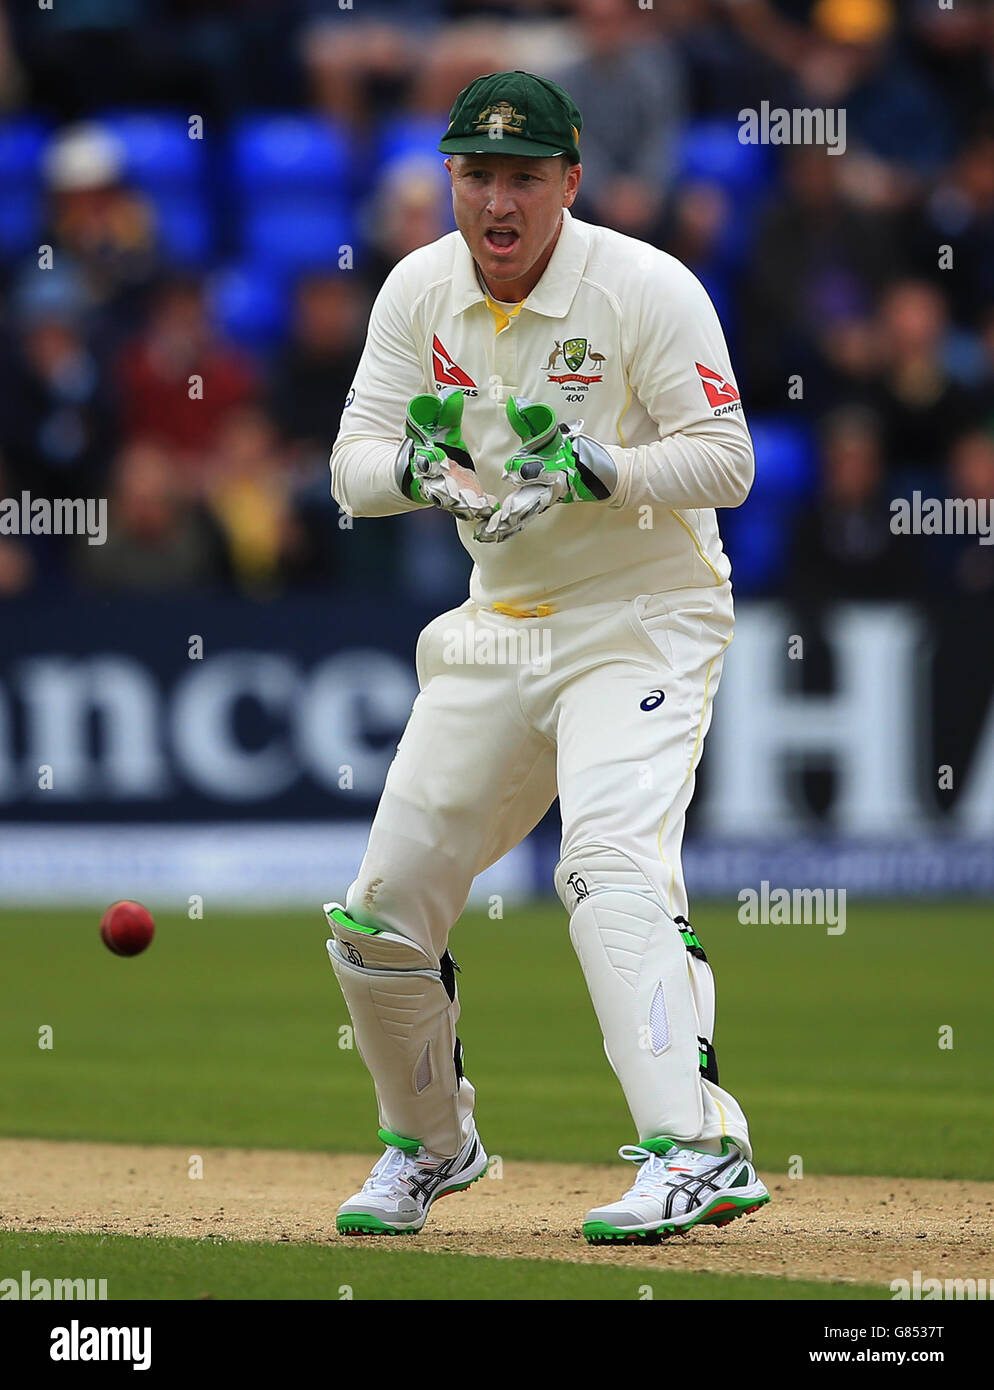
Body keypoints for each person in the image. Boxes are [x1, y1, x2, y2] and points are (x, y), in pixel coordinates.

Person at [326, 70, 768, 1245]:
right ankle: (431, 1144)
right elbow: (351, 462)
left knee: (608, 870)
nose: (498, 201)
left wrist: (602, 465)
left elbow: (727, 461)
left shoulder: (643, 287)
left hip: (644, 612)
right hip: (495, 626)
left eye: (524, 176)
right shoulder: (419, 290)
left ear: (572, 180)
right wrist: (418, 473)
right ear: (448, 181)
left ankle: (700, 1149)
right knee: (375, 920)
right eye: (476, 173)